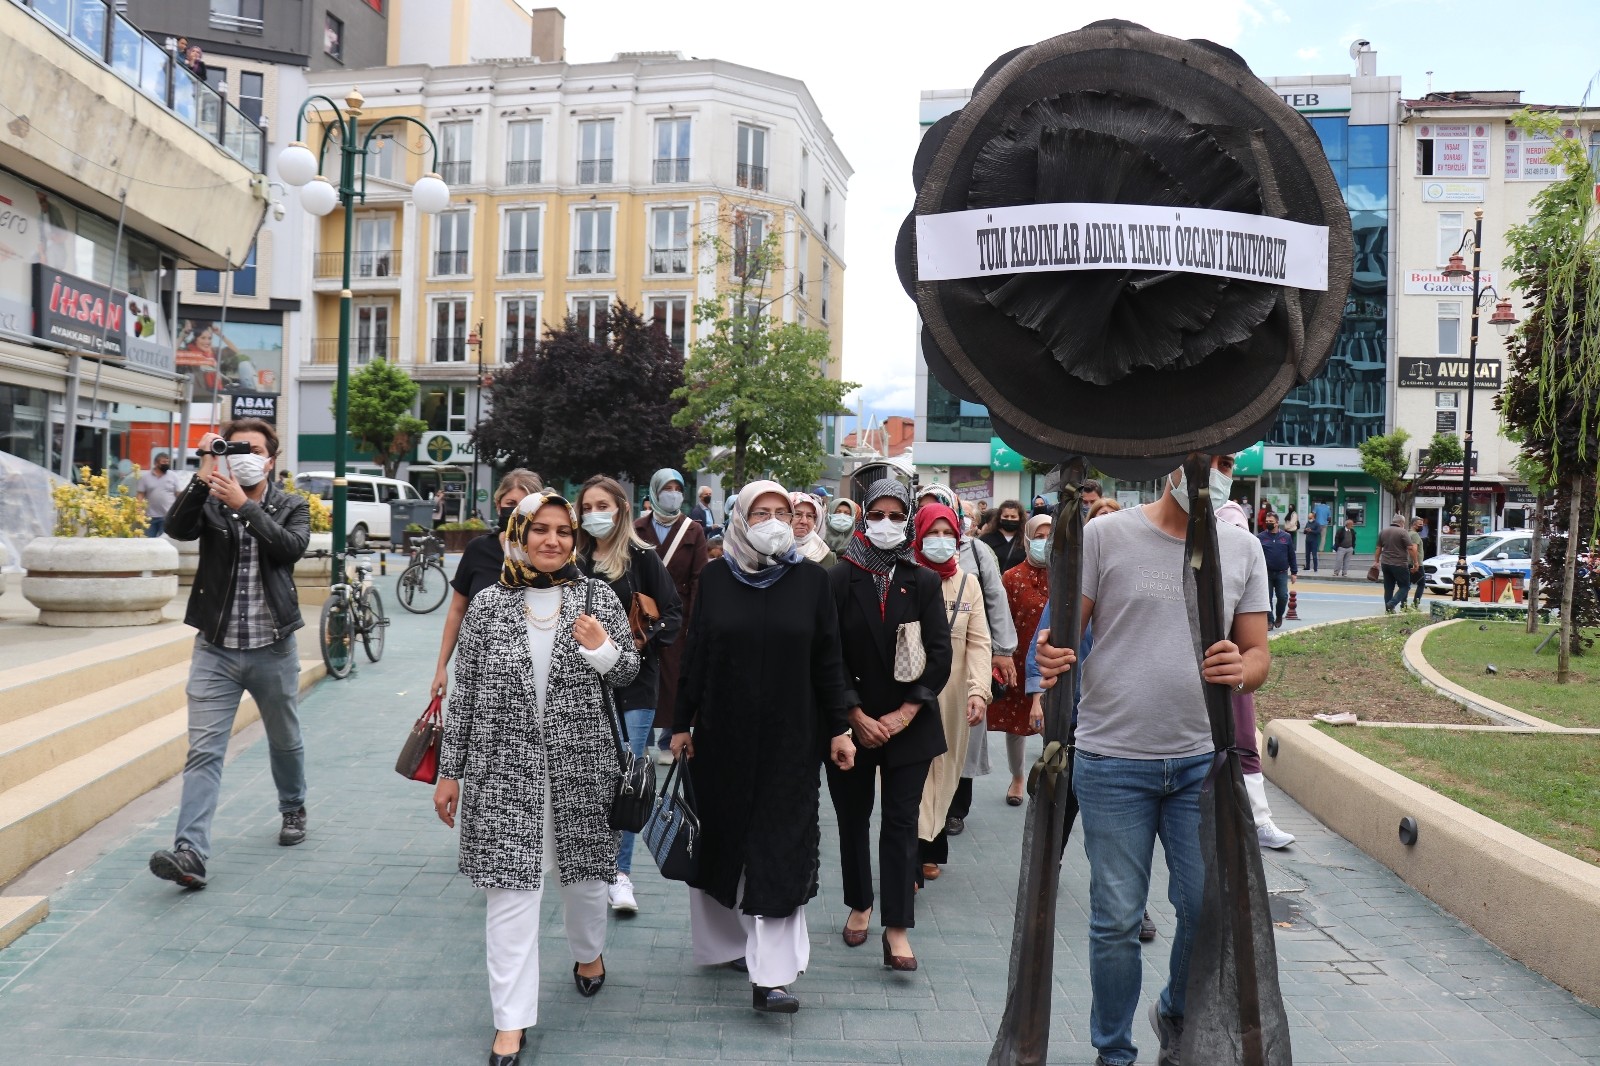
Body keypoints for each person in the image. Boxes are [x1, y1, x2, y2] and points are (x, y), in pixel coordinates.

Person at [1033, 454, 1270, 1066]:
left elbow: (1258, 655)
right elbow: (1061, 636)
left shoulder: (1240, 549)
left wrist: (1241, 671)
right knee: (1116, 920)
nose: (1215, 472)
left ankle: (1176, 1012)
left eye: (1226, 462)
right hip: (1113, 761)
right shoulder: (1106, 535)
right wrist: (1050, 655)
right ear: (1172, 464)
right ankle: (1114, 1050)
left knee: (1204, 910)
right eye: (1205, 460)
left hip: (1200, 764)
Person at [433, 491, 640, 1065]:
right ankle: (510, 1022)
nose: (553, 540)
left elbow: (628, 671)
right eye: (540, 530)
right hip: (504, 772)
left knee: (586, 883)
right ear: (518, 535)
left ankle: (588, 952)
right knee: (512, 897)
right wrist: (450, 772)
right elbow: (467, 693)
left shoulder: (596, 596)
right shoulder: (489, 604)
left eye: (564, 531)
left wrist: (600, 649)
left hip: (582, 767)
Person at [672, 480, 856, 1015]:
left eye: (783, 511)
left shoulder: (811, 582)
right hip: (722, 739)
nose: (774, 521)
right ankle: (730, 945)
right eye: (762, 512)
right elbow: (698, 653)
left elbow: (829, 659)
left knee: (781, 847)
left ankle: (771, 976)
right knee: (723, 840)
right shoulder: (715, 577)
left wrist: (839, 728)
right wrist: (681, 723)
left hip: (791, 741)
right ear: (740, 519)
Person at [147, 420, 310, 891]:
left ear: (271, 458)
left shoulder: (291, 504)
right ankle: (190, 853)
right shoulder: (211, 496)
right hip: (215, 648)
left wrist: (246, 507)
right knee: (203, 751)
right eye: (237, 447)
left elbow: (290, 548)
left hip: (272, 646)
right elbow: (177, 529)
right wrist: (204, 471)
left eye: (254, 448)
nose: (246, 454)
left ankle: (292, 806)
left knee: (285, 739)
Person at [828, 479, 952, 972]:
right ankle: (860, 903)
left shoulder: (921, 579)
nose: (885, 524)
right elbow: (828, 653)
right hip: (852, 722)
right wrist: (854, 714)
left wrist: (906, 712)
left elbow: (939, 654)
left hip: (910, 722)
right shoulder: (840, 577)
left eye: (895, 515)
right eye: (876, 515)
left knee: (901, 824)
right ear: (862, 517)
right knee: (853, 818)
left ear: (906, 520)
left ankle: (897, 927)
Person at [575, 475, 683, 915]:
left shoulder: (641, 558)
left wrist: (641, 641)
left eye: (603, 504)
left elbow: (673, 613)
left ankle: (620, 875)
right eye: (587, 506)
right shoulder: (573, 557)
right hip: (581, 684)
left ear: (620, 508)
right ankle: (587, 864)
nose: (594, 513)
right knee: (586, 776)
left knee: (626, 780)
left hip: (634, 685)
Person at [916, 486, 1018, 838]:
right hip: (916, 679)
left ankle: (952, 811)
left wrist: (1002, 651)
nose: (939, 539)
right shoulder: (904, 569)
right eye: (929, 526)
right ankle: (923, 833)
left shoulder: (976, 551)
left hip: (962, 667)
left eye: (946, 528)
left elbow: (993, 599)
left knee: (962, 744)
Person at [912, 502, 990, 883]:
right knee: (913, 773)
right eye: (933, 533)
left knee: (945, 771)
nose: (941, 541)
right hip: (908, 694)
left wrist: (979, 690)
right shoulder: (902, 576)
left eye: (948, 534)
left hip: (955, 694)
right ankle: (910, 854)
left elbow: (979, 643)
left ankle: (931, 848)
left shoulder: (967, 583)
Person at [1216, 499, 1295, 850]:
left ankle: (1259, 820)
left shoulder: (1248, 563)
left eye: (1241, 530)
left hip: (1235, 675)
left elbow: (1257, 645)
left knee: (1245, 742)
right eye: (1228, 530)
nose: (1236, 538)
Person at [430, 470, 544, 701]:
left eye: (524, 504)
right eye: (511, 503)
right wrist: (441, 666)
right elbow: (457, 610)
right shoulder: (478, 549)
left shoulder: (546, 556)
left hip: (532, 673)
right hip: (478, 669)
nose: (516, 510)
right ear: (497, 504)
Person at [634, 468, 708, 763]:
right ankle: (639, 739)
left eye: (678, 487)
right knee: (640, 674)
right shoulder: (638, 528)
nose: (673, 493)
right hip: (642, 615)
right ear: (654, 491)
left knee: (675, 677)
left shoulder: (693, 529)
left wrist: (695, 621)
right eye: (668, 487)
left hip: (679, 616)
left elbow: (700, 577)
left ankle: (669, 738)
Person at [985, 512, 1052, 805]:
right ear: (1027, 540)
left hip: (1053, 660)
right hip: (1018, 660)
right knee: (1017, 724)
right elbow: (1001, 620)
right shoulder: (1011, 578)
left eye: (1049, 536)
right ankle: (1018, 777)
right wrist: (1000, 657)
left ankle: (1052, 777)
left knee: (1054, 721)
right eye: (1038, 537)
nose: (1044, 542)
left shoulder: (1068, 576)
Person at [1256, 511, 1297, 629]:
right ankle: (1269, 620)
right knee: (1266, 598)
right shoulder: (1260, 537)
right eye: (1267, 521)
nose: (1268, 523)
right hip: (1266, 574)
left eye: (1271, 522)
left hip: (1281, 573)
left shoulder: (1286, 537)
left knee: (1283, 596)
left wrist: (1294, 572)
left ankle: (1279, 615)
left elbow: (1291, 555)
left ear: (1277, 523)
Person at [136, 451, 184, 537]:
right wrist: (138, 509)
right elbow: (140, 494)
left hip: (167, 516)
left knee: (164, 543)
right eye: (164, 462)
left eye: (168, 462)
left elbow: (178, 494)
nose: (166, 464)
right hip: (150, 517)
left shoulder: (173, 476)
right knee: (149, 541)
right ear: (156, 463)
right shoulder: (145, 477)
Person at [1376, 514, 1416, 614]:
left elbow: (1378, 548)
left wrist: (1376, 561)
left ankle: (1388, 609)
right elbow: (1410, 548)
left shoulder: (1383, 531)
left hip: (1385, 563)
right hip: (1399, 563)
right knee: (1405, 586)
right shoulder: (1403, 532)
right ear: (1402, 523)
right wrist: (1415, 562)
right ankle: (1392, 603)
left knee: (1388, 587)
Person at [789, 491, 837, 567]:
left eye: (809, 516)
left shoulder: (826, 557)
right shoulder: (770, 551)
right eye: (797, 514)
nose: (804, 521)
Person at [980, 499, 1028, 571]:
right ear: (999, 517)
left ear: (1020, 518)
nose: (1009, 519)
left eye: (1013, 517)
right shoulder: (985, 539)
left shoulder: (1026, 541)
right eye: (1006, 516)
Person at [1409, 517, 1428, 610]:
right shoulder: (1415, 535)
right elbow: (1414, 548)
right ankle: (1415, 605)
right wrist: (1416, 562)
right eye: (1420, 525)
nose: (1422, 526)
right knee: (1422, 583)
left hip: (1408, 562)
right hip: (1417, 564)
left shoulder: (1408, 533)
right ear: (1414, 524)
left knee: (1406, 584)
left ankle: (1403, 604)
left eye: (1422, 524)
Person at [1303, 508, 1323, 573]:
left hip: (1314, 541)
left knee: (1314, 555)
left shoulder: (1317, 524)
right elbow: (1304, 532)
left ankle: (1315, 568)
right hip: (1307, 540)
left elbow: (1318, 532)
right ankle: (1307, 567)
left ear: (1313, 516)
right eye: (1308, 516)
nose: (1309, 517)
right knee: (1307, 554)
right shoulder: (1308, 523)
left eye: (1310, 516)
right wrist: (1306, 530)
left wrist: (1311, 531)